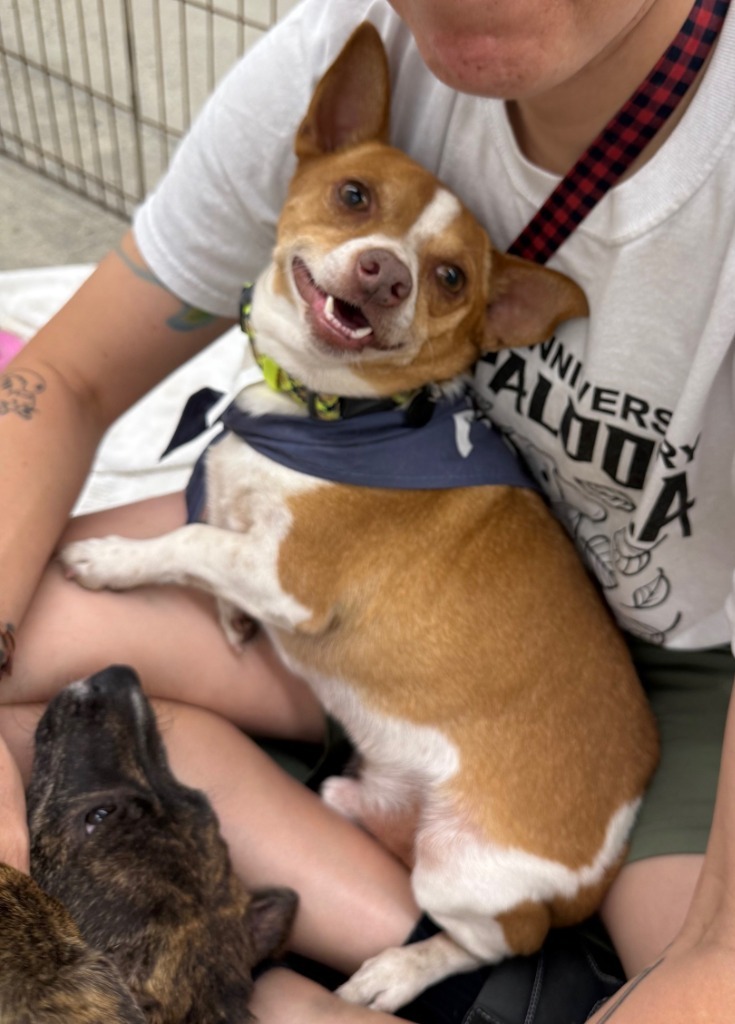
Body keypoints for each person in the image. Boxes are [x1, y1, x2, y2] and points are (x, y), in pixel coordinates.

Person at [1, 0, 735, 1019]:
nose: (381, 268)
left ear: (494, 312)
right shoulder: (351, 48)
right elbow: (65, 378)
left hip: (691, 667)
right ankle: (380, 959)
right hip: (393, 591)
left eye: (435, 279)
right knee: (39, 693)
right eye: (353, 203)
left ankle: (436, 976)